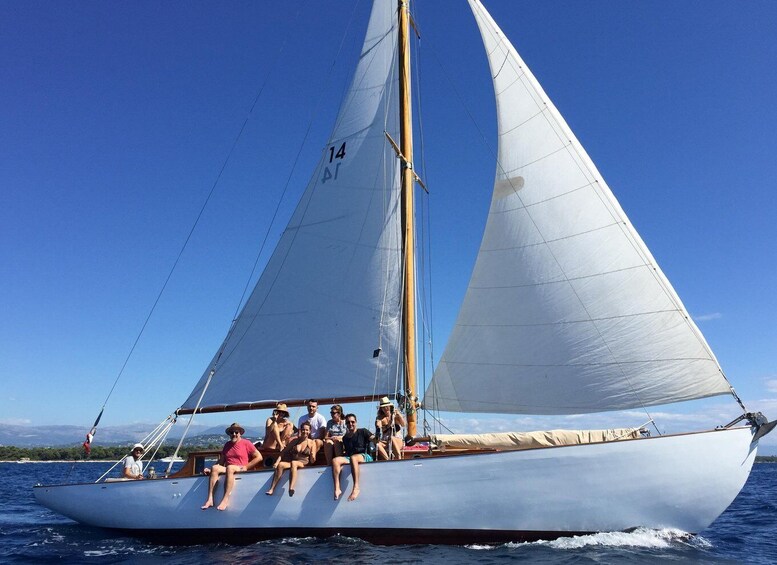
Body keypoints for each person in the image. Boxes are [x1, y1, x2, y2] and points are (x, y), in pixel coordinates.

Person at [201, 423, 261, 511]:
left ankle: (225, 499)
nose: (234, 434)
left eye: (236, 432)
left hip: (240, 467)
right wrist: (210, 470)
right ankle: (210, 499)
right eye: (232, 432)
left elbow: (259, 457)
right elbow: (221, 462)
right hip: (229, 468)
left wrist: (246, 467)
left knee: (230, 467)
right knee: (215, 468)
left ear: (240, 433)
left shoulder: (246, 443)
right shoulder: (227, 445)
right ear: (229, 434)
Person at [265, 421, 317, 497]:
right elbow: (284, 452)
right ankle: (272, 488)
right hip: (294, 461)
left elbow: (312, 461)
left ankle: (291, 488)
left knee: (294, 463)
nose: (304, 431)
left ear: (309, 431)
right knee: (281, 465)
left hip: (304, 463)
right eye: (303, 429)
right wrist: (277, 462)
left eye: (306, 430)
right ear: (300, 430)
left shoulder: (312, 443)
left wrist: (312, 456)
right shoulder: (295, 441)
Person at [331, 414, 376, 501]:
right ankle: (337, 488)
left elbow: (374, 439)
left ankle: (356, 487)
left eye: (352, 422)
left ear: (356, 422)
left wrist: (377, 433)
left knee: (353, 458)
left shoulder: (363, 431)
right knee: (335, 460)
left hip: (365, 455)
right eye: (348, 422)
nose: (350, 424)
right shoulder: (345, 438)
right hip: (351, 457)